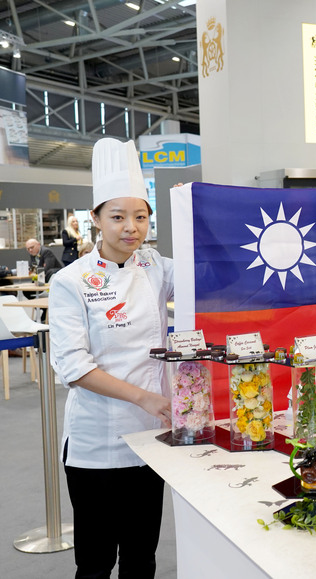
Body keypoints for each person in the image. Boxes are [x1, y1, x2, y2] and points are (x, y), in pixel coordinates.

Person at [49, 138, 174, 579]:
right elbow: (74, 366)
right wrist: (145, 398)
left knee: (142, 558)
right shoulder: (70, 281)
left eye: (140, 216)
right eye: (118, 217)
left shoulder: (156, 267)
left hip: (150, 440)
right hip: (96, 446)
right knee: (96, 562)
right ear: (96, 220)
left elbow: (209, 274)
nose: (131, 227)